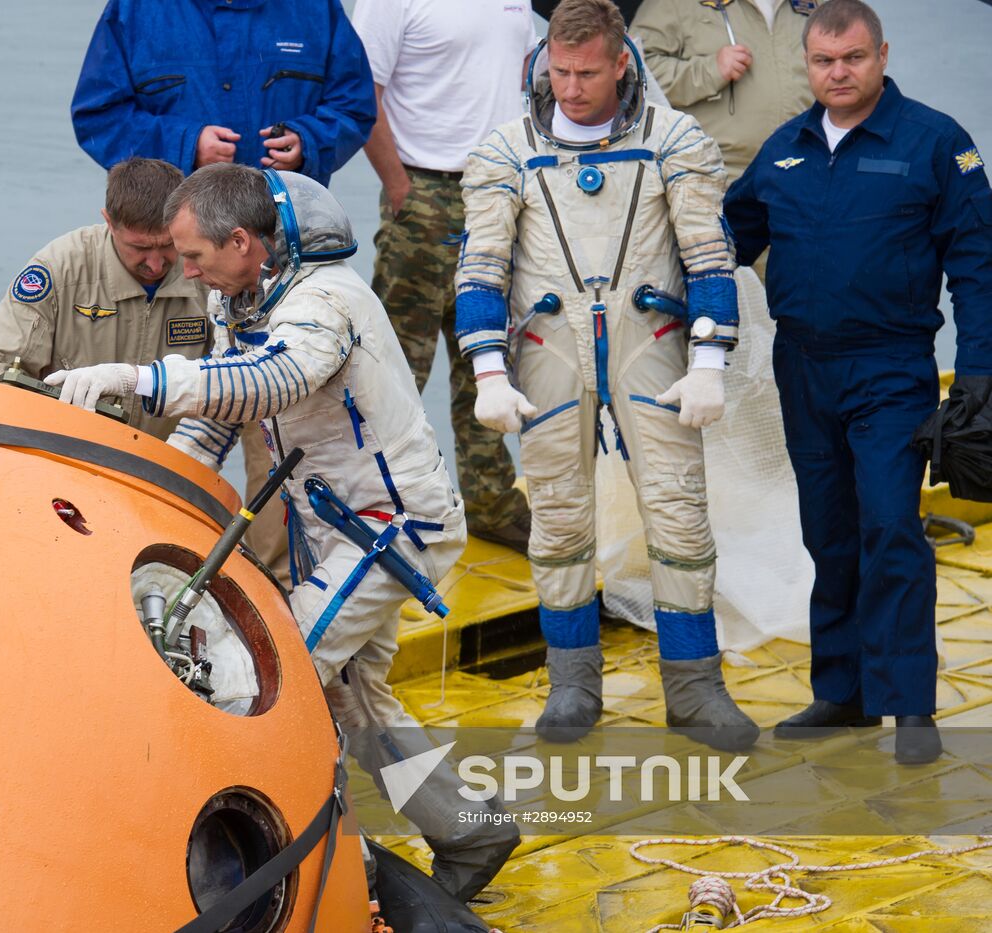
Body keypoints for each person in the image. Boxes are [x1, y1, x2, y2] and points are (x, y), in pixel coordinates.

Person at [46, 164, 520, 902]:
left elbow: (274, 381)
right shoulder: (243, 295)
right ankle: (469, 830)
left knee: (285, 675)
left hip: (389, 526)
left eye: (196, 255)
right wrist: (147, 494)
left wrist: (140, 379)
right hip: (339, 526)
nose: (185, 268)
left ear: (243, 242)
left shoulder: (324, 302)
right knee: (356, 701)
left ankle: (339, 873)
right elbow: (219, 412)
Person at [454, 0, 757, 750]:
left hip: (649, 341)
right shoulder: (503, 152)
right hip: (548, 349)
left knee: (678, 512)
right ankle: (571, 686)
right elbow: (481, 269)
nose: (571, 88)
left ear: (623, 64)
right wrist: (489, 371)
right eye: (559, 71)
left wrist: (710, 362)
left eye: (588, 73)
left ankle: (695, 689)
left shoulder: (674, 140)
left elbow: (707, 256)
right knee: (558, 519)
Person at [724, 0, 992, 764]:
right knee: (829, 531)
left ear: (881, 55)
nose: (837, 73)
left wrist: (978, 374)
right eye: (822, 61)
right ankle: (842, 692)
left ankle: (907, 703)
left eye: (852, 58)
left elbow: (978, 266)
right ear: (807, 64)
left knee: (890, 527)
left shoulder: (937, 143)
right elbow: (724, 240)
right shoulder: (784, 150)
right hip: (802, 368)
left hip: (890, 369)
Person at [350, 0, 537, 553]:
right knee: (397, 366)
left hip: (503, 191)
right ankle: (386, 507)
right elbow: (365, 93)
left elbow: (526, 79)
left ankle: (491, 502)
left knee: (487, 357)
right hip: (424, 191)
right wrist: (398, 185)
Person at [0, 158, 209, 440]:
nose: (155, 265)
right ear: (108, 221)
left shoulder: (209, 272)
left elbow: (239, 381)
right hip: (64, 453)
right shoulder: (60, 268)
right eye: (140, 247)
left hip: (167, 461)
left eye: (169, 246)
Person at [69, 0, 376, 188]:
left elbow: (354, 105)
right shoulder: (135, 9)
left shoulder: (316, 8)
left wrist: (308, 141)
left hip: (285, 239)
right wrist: (187, 146)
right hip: (176, 245)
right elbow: (99, 119)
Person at [633, 0, 822, 184]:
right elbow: (633, 70)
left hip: (804, 172)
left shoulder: (822, 5)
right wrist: (710, 70)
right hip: (713, 175)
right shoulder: (675, 4)